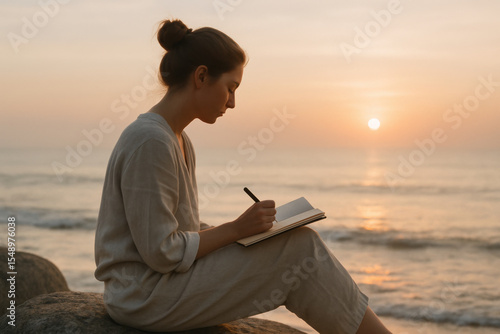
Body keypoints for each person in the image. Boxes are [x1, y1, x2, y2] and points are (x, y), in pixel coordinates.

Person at [94, 19, 391, 334]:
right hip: (143, 297)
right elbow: (162, 252)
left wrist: (252, 235)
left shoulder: (177, 139)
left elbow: (180, 233)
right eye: (230, 88)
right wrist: (236, 229)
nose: (233, 102)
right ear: (202, 76)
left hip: (157, 287)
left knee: (298, 242)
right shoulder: (151, 141)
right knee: (300, 252)